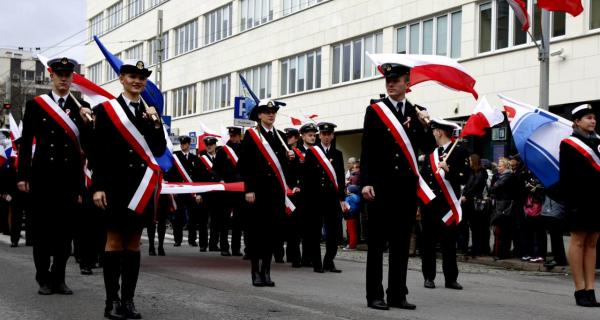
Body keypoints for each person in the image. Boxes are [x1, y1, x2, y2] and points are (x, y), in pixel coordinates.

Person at [91, 59, 166, 319]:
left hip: (140, 187)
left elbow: (158, 150)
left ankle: (128, 300)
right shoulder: (105, 110)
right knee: (113, 241)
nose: (137, 81)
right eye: (132, 76)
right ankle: (111, 301)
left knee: (133, 244)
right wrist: (98, 186)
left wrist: (155, 123)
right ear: (122, 79)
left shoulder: (151, 111)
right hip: (113, 185)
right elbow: (96, 151)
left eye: (142, 77)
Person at [361, 62, 435, 310]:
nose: (390, 84)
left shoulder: (416, 113)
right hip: (381, 187)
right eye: (388, 80)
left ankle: (396, 294)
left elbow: (429, 148)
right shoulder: (375, 111)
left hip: (404, 189)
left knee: (401, 243)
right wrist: (366, 182)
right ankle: (374, 294)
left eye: (396, 80)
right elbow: (367, 149)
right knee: (377, 244)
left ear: (407, 83)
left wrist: (426, 124)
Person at [17, 57, 93, 295]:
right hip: (42, 177)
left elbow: (88, 146)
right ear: (51, 75)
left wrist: (88, 123)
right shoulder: (36, 104)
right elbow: (27, 142)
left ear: (72, 77)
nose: (63, 78)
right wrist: (23, 176)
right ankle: (43, 278)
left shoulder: (80, 106)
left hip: (68, 179)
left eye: (67, 75)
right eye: (59, 74)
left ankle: (58, 277)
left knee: (65, 232)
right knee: (41, 231)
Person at [239, 99, 295, 287]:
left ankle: (267, 272)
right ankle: (256, 272)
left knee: (272, 233)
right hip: (258, 192)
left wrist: (289, 158)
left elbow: (283, 168)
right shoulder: (252, 135)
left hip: (275, 192)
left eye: (273, 112)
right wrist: (249, 188)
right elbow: (245, 164)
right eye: (267, 111)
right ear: (259, 115)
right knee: (257, 233)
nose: (271, 114)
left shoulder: (279, 136)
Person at [419, 118, 469, 290]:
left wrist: (449, 170)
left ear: (439, 132)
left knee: (449, 243)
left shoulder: (460, 151)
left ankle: (451, 278)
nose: (433, 133)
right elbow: (424, 179)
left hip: (447, 205)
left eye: (434, 131)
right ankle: (428, 276)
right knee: (428, 243)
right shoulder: (431, 153)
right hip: (430, 205)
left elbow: (465, 178)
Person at [559, 104, 600, 307]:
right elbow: (566, 176)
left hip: (598, 200)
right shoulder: (568, 143)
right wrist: (571, 201)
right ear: (576, 121)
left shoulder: (599, 143)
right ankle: (579, 289)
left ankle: (591, 289)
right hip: (579, 200)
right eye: (588, 117)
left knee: (592, 243)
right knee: (578, 241)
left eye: (593, 118)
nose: (592, 121)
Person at [299, 122, 345, 273]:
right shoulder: (313, 152)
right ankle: (317, 262)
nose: (326, 137)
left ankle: (329, 261)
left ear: (332, 135)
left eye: (328, 134)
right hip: (316, 198)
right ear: (320, 135)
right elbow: (306, 176)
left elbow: (340, 177)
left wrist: (342, 198)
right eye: (323, 134)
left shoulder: (337, 154)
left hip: (332, 198)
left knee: (333, 232)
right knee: (314, 232)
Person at [213, 126, 245, 256]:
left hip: (241, 189)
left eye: (235, 136)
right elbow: (215, 169)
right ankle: (224, 247)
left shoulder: (245, 149)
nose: (233, 138)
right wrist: (220, 179)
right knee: (224, 220)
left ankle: (236, 248)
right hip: (227, 188)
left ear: (239, 136)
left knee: (238, 220)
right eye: (231, 136)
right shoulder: (223, 150)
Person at [170, 136, 202, 248]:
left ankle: (192, 240)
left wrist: (198, 193)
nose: (183, 145)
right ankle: (177, 239)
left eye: (185, 143)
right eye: (182, 143)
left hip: (191, 191)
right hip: (179, 190)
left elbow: (198, 176)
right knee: (178, 217)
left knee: (193, 217)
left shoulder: (195, 158)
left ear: (189, 145)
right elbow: (171, 174)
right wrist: (173, 189)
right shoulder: (176, 158)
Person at [296, 123, 318, 267]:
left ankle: (310, 257)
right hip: (300, 194)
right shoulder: (296, 152)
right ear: (303, 136)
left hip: (314, 194)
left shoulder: (318, 152)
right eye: (309, 135)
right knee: (299, 228)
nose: (312, 137)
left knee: (312, 228)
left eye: (314, 135)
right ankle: (298, 258)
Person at [198, 136, 225, 253]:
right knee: (203, 221)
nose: (209, 146)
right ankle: (203, 244)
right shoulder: (201, 159)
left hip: (217, 195)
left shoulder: (220, 158)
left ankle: (213, 244)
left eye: (212, 144)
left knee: (216, 221)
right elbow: (197, 178)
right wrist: (198, 194)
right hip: (205, 194)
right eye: (207, 145)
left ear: (215, 145)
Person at [461, 154, 489, 256]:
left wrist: (466, 196)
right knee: (468, 226)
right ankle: (468, 247)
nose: (469, 162)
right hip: (468, 202)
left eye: (470, 160)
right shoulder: (472, 172)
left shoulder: (481, 173)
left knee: (476, 227)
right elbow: (467, 186)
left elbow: (474, 187)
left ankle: (477, 249)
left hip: (474, 203)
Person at [489, 157, 518, 260]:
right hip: (501, 204)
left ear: (505, 166)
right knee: (500, 230)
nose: (498, 168)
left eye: (500, 166)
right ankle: (499, 251)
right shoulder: (501, 176)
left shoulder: (508, 176)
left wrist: (494, 185)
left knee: (504, 230)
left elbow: (495, 187)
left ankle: (502, 253)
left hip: (505, 206)